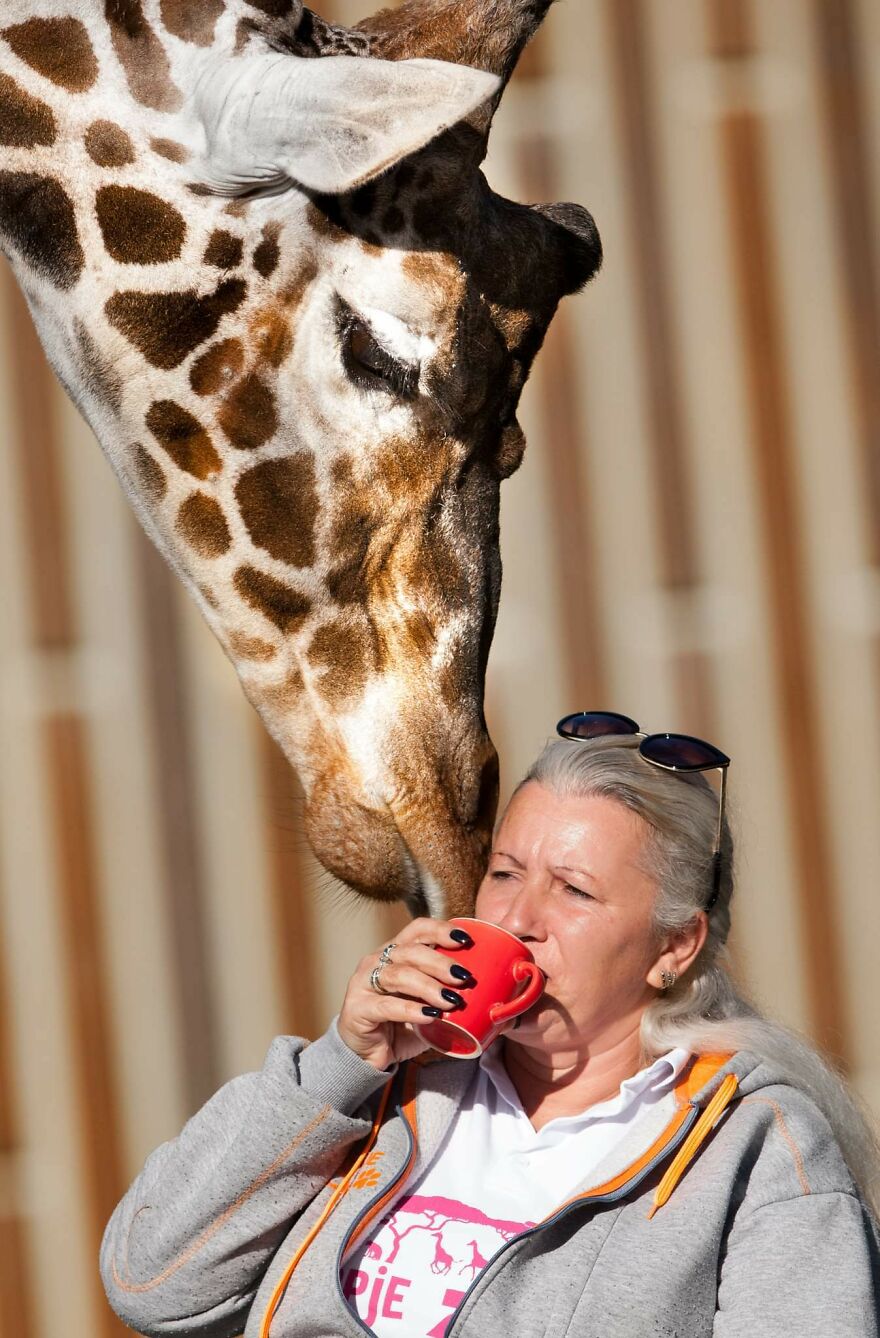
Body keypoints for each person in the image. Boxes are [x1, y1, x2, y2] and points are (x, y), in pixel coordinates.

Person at [100, 713, 880, 1337]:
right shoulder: (385, 1086)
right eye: (504, 873)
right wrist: (340, 1064)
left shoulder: (754, 1144)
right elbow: (151, 1283)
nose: (518, 917)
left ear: (672, 948)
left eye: (573, 891)